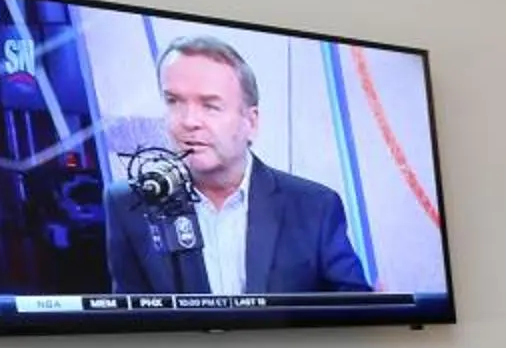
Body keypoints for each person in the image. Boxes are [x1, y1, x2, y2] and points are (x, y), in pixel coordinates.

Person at [106, 35, 371, 296]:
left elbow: (356, 310)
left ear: (250, 122)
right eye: (174, 101)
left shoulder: (314, 206)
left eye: (210, 106)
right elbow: (127, 315)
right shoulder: (129, 205)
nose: (188, 121)